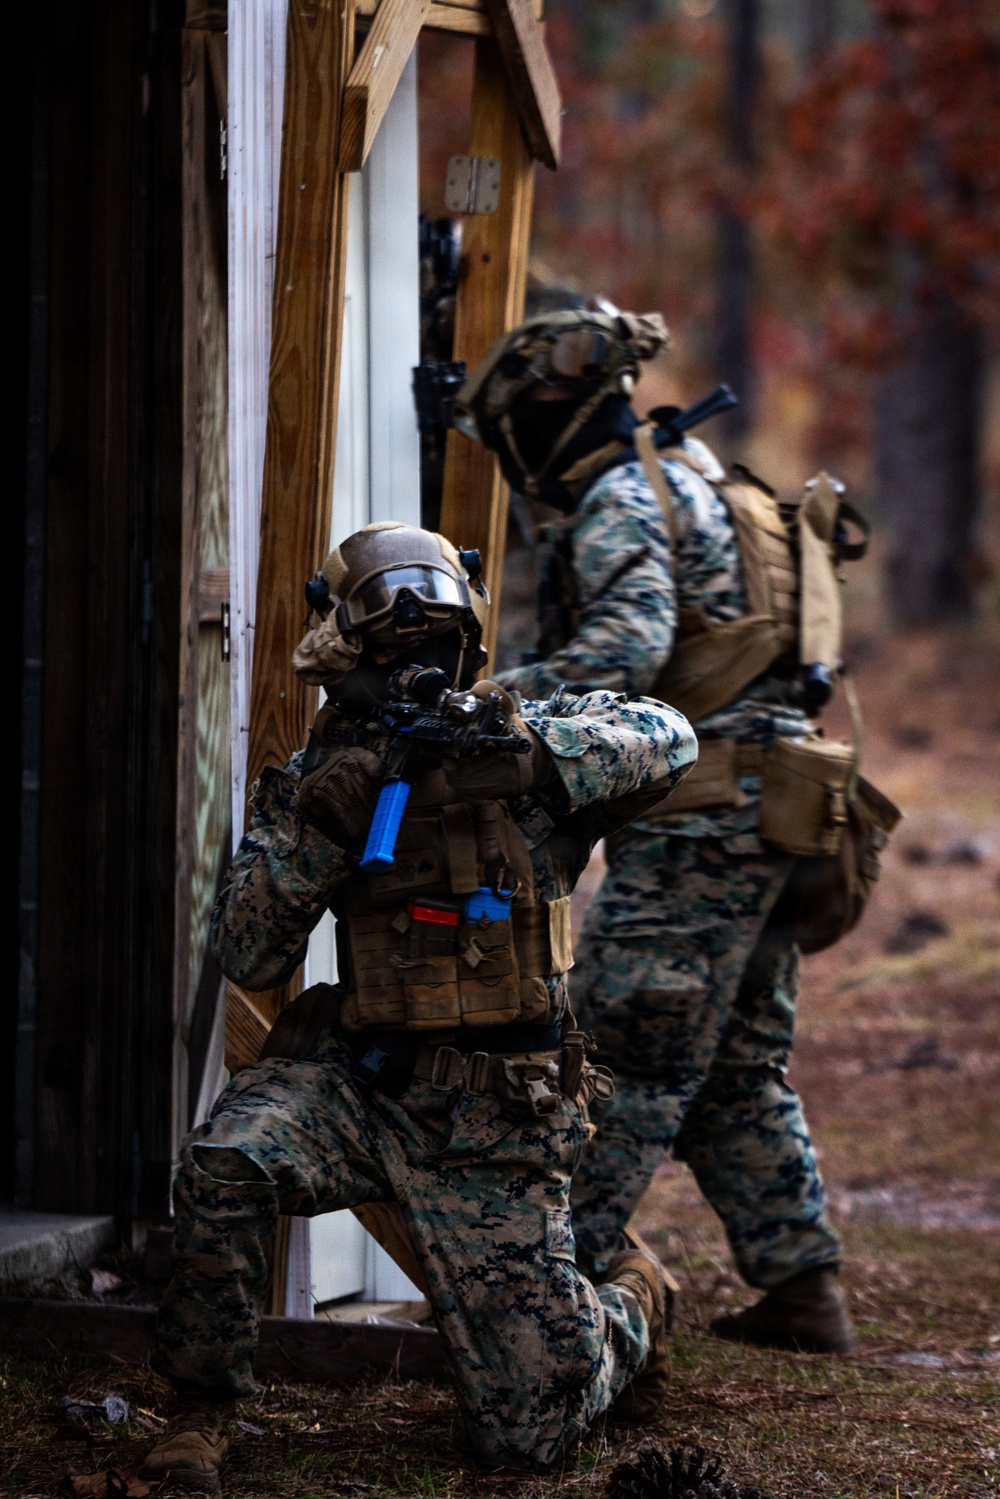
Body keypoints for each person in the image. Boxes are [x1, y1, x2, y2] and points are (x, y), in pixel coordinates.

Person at [141, 521, 697, 1489]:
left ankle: (632, 1299)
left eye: (432, 644)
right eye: (390, 650)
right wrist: (322, 822)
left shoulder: (529, 731)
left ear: (470, 640)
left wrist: (527, 759)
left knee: (525, 1437)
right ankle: (203, 1408)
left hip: (500, 1117)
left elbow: (669, 736)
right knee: (226, 1163)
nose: (415, 667)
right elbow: (248, 950)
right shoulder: (323, 781)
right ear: (351, 656)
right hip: (362, 1090)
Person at [454, 307, 866, 1357]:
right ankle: (801, 1284)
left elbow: (623, 652)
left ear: (544, 413)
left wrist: (483, 707)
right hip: (779, 813)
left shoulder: (617, 497)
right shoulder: (693, 476)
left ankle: (536, 1296)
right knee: (733, 1061)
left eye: (513, 431)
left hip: (705, 821)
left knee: (619, 1050)